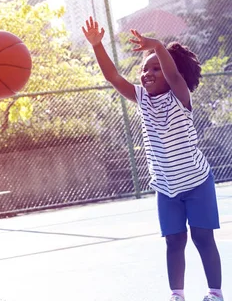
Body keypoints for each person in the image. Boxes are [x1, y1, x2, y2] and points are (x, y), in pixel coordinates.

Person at [83, 17, 223, 301]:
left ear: (173, 74)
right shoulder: (142, 99)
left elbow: (173, 77)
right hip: (166, 187)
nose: (147, 73)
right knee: (173, 241)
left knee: (202, 237)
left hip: (196, 183)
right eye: (144, 68)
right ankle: (177, 294)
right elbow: (112, 77)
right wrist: (98, 46)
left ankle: (215, 292)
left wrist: (157, 46)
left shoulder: (180, 97)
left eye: (155, 68)